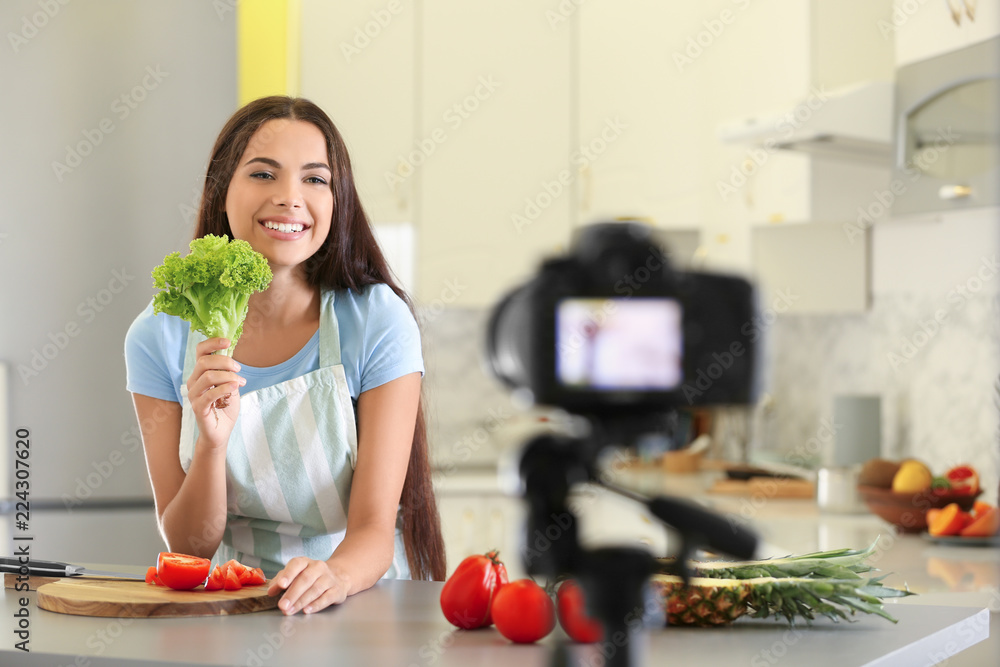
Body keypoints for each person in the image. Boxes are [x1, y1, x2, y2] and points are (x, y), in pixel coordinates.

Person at [124, 96, 445, 615]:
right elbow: (188, 548)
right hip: (234, 608)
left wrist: (331, 578)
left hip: (361, 605)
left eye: (315, 179)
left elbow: (372, 531)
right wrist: (211, 443)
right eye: (263, 174)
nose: (290, 198)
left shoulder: (376, 321)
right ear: (220, 189)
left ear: (337, 199)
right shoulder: (158, 336)